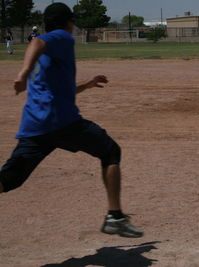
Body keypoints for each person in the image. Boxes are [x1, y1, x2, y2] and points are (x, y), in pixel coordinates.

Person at [0, 3, 144, 238]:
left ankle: (115, 218)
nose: (74, 26)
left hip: (35, 126)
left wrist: (86, 85)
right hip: (62, 122)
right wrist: (22, 73)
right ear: (67, 23)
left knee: (10, 179)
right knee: (110, 151)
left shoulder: (47, 56)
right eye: (72, 22)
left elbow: (55, 89)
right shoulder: (62, 39)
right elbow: (36, 41)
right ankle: (115, 217)